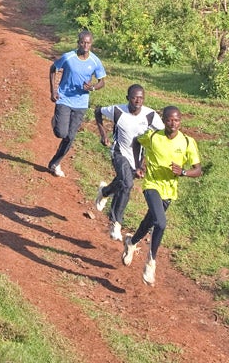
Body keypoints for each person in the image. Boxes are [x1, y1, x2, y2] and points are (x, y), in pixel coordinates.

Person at [121, 105, 202, 287]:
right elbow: (136, 142)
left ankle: (131, 242)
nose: (173, 123)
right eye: (169, 120)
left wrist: (183, 172)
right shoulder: (153, 137)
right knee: (161, 223)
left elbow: (198, 170)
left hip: (169, 190)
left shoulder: (187, 142)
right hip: (152, 185)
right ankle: (151, 262)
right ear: (163, 120)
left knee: (149, 222)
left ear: (180, 121)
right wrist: (139, 165)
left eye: (177, 120)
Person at [93, 85, 164, 241]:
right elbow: (98, 111)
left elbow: (162, 136)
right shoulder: (118, 111)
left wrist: (145, 163)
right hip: (118, 153)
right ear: (127, 98)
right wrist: (103, 134)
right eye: (134, 97)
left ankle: (104, 192)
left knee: (123, 182)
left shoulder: (150, 115)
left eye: (141, 98)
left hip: (136, 160)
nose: (138, 100)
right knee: (127, 183)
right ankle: (116, 222)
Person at [46, 29, 106, 177]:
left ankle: (55, 163)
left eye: (88, 43)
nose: (85, 45)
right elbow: (53, 69)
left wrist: (91, 87)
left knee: (70, 136)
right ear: (78, 43)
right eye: (83, 42)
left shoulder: (95, 61)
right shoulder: (68, 57)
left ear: (91, 44)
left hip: (81, 103)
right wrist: (53, 90)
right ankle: (57, 121)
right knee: (61, 132)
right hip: (65, 98)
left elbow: (102, 82)